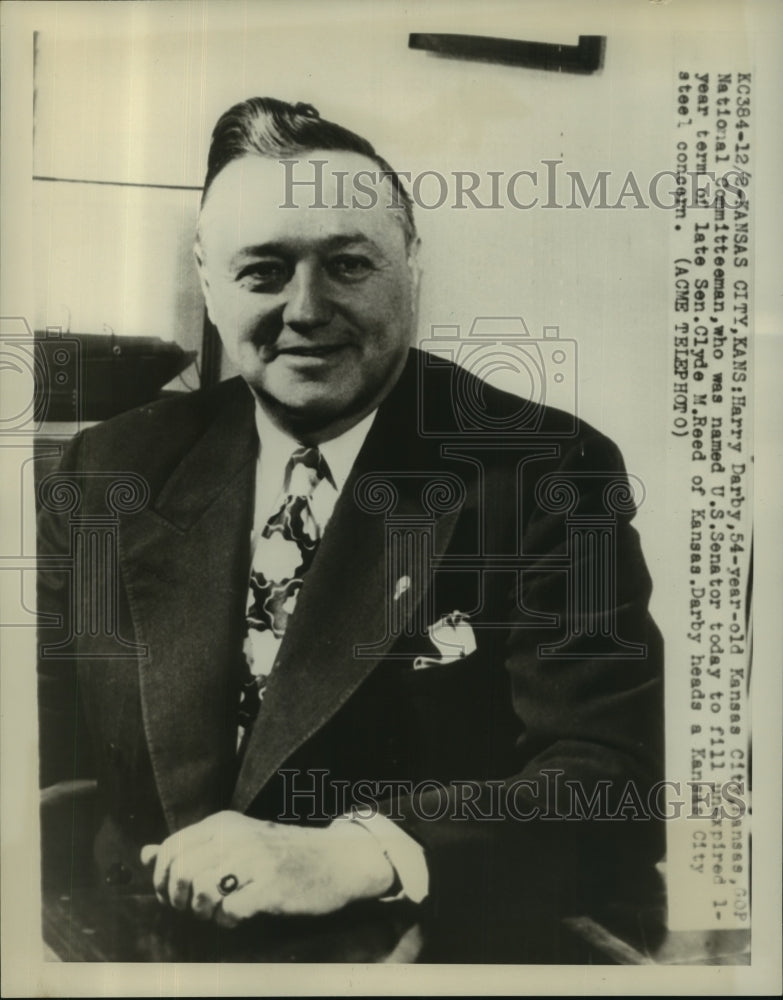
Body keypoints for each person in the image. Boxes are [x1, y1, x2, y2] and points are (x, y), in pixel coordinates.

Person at [37, 97, 664, 939]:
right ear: (207, 277)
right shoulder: (108, 470)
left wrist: (354, 854)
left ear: (410, 262)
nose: (305, 309)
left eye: (346, 266)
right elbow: (35, 744)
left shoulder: (549, 472)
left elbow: (611, 783)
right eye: (264, 270)